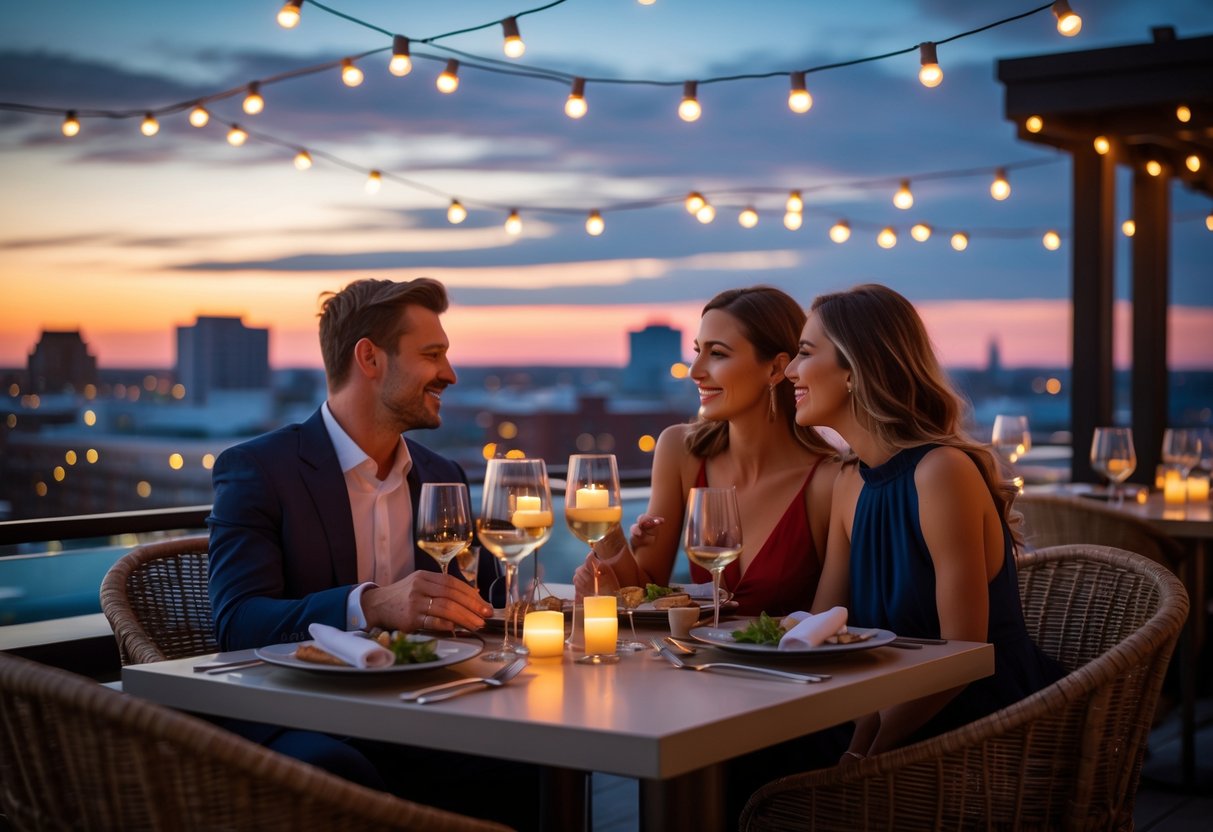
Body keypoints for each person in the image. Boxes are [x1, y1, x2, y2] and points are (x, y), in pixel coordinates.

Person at [206, 277, 538, 827]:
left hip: (420, 707)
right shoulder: (259, 470)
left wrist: (552, 595)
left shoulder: (441, 476)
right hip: (305, 717)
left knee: (530, 754)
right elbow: (237, 622)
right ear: (370, 358)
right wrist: (371, 605)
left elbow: (487, 603)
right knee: (336, 767)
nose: (450, 374)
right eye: (432, 355)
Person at [786, 283, 1064, 763]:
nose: (789, 370)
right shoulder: (849, 480)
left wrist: (864, 754)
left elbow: (961, 657)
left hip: (977, 724)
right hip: (881, 710)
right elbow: (821, 631)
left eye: (805, 353)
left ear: (854, 369)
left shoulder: (941, 472)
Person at [574, 285, 840, 617]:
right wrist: (610, 538)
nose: (695, 370)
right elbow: (644, 596)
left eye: (717, 353)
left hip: (791, 667)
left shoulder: (829, 480)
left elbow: (831, 623)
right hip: (698, 664)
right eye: (698, 350)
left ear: (774, 369)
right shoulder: (680, 451)